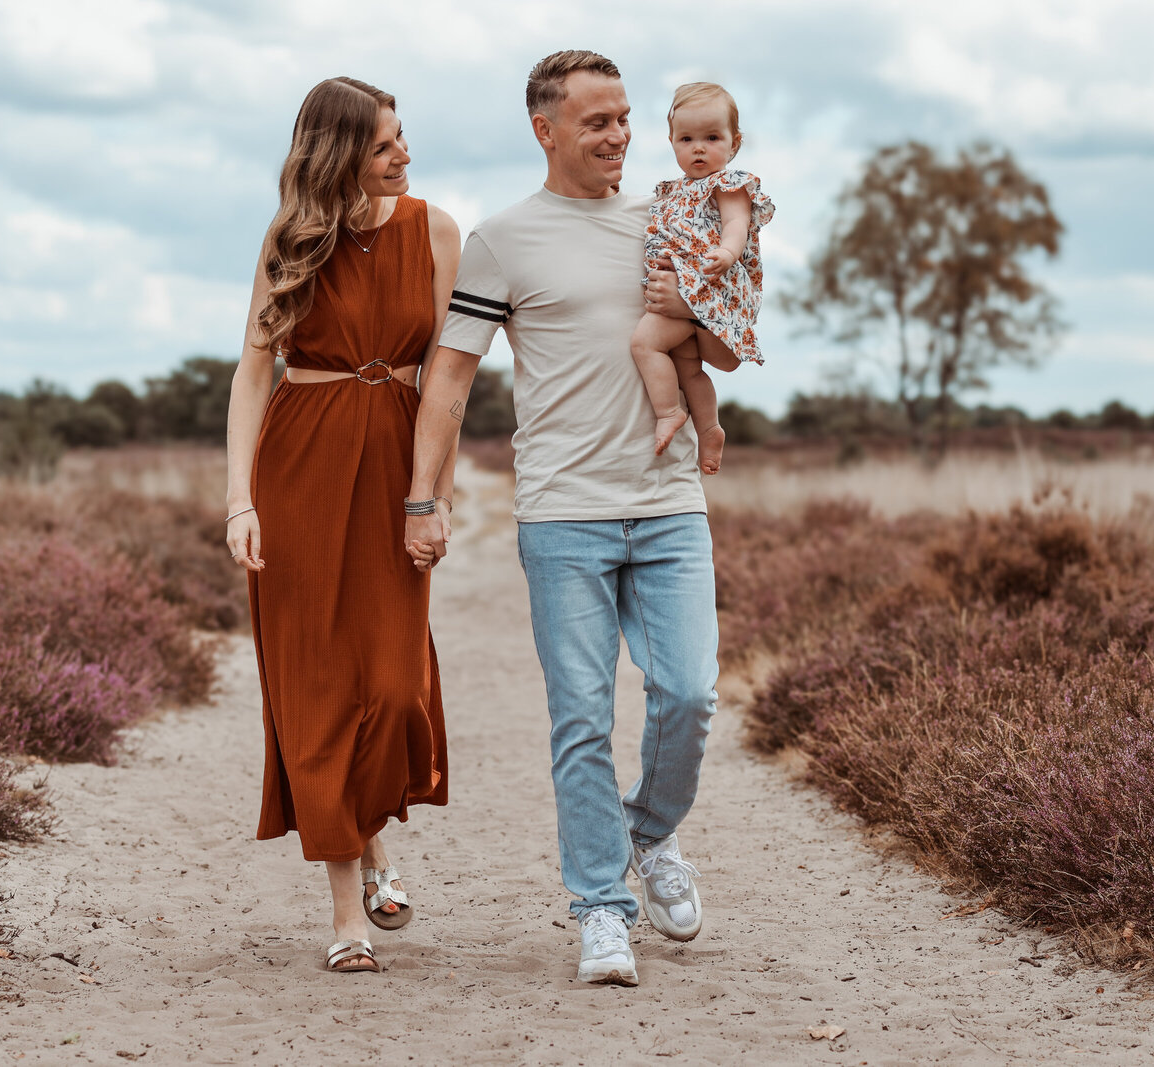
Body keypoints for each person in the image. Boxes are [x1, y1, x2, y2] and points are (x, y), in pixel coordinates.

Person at [405, 50, 719, 987]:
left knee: (690, 694)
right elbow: (451, 378)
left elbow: (727, 349)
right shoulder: (503, 241)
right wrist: (429, 495)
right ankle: (600, 909)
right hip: (563, 513)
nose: (621, 135)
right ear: (546, 131)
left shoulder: (670, 220)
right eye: (598, 122)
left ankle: (648, 834)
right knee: (581, 716)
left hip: (668, 506)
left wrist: (712, 296)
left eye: (626, 117)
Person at [224, 76, 460, 975]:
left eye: (404, 136)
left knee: (395, 687)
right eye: (384, 144)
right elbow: (253, 374)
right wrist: (239, 500)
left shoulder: (434, 229)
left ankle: (374, 845)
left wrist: (432, 493)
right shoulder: (290, 238)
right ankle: (345, 914)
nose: (404, 154)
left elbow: (447, 379)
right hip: (300, 469)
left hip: (396, 468)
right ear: (340, 156)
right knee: (316, 687)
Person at [631, 82, 776, 475]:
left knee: (650, 345)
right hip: (681, 293)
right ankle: (705, 426)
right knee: (678, 362)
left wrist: (727, 253)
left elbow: (736, 225)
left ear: (735, 143)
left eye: (712, 137)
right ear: (672, 141)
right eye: (687, 138)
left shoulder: (727, 184)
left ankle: (671, 414)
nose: (698, 148)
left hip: (713, 284)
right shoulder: (669, 193)